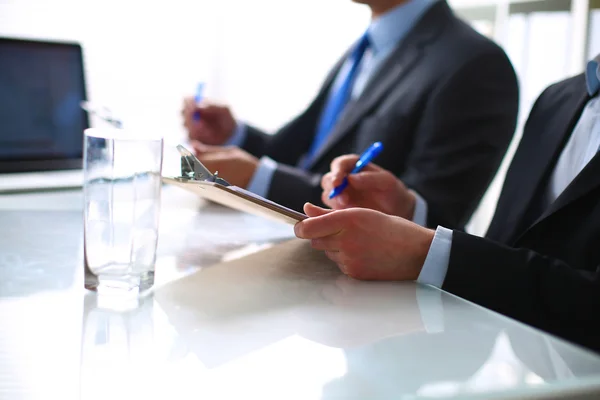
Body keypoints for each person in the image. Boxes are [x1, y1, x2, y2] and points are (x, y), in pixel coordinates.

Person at [294, 55, 600, 353]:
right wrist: (408, 212)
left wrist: (423, 253)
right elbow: (507, 250)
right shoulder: (557, 98)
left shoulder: (478, 65)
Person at [182, 0, 519, 228]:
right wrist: (234, 137)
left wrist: (259, 178)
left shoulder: (474, 63)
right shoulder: (365, 49)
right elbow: (310, 155)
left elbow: (428, 219)